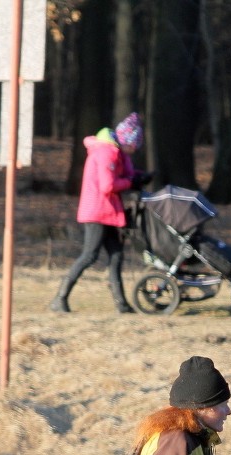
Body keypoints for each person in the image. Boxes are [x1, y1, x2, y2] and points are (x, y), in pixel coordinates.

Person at [50, 112, 151, 314]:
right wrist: (132, 183)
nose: (134, 150)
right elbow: (107, 185)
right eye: (134, 145)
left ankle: (121, 305)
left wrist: (139, 177)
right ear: (126, 140)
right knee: (89, 256)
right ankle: (59, 299)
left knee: (116, 256)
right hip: (98, 213)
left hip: (109, 212)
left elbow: (119, 176)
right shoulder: (106, 153)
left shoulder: (112, 153)